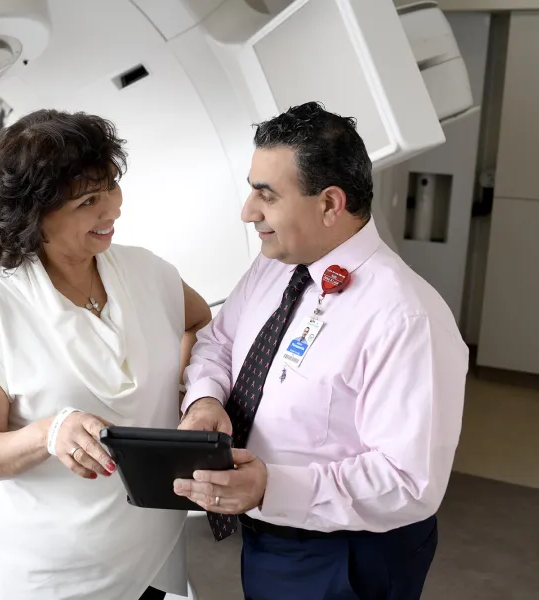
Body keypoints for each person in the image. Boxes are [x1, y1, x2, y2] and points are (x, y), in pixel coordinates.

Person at [174, 102, 468, 600]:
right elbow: (219, 342)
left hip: (347, 554)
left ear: (331, 203)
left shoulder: (406, 317)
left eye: (265, 196)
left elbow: (409, 481)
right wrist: (205, 401)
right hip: (269, 533)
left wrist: (271, 488)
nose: (248, 212)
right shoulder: (276, 266)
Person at [0, 109, 212, 600]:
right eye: (89, 201)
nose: (112, 210)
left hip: (148, 550)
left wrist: (191, 392)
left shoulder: (147, 273)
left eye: (111, 188)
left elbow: (199, 323)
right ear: (34, 218)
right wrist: (49, 431)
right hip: (51, 571)